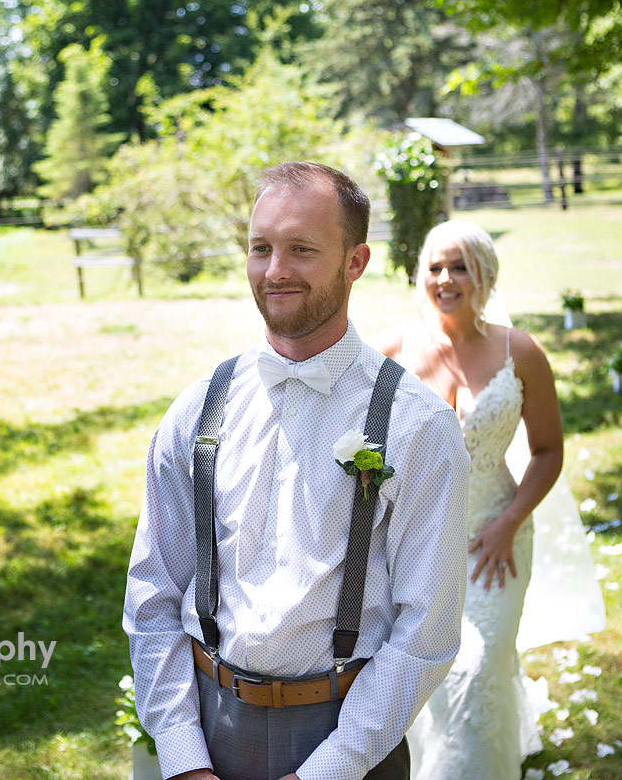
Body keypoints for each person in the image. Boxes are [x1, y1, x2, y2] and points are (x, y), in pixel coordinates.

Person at [123, 162, 470, 780]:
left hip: (352, 735)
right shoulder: (196, 411)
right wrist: (181, 755)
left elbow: (427, 631)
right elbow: (154, 596)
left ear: (355, 261)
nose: (275, 270)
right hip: (210, 731)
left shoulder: (418, 427)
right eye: (262, 248)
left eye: (302, 250)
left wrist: (331, 769)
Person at [375, 219, 578, 780]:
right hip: (413, 541)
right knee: (423, 674)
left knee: (480, 665)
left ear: (483, 275)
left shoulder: (522, 354)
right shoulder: (390, 350)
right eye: (435, 267)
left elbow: (547, 451)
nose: (445, 278)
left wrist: (508, 523)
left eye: (458, 266)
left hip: (495, 537)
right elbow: (354, 444)